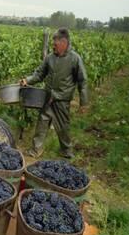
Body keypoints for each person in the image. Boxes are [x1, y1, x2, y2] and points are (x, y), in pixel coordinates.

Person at [20, 27, 88, 159]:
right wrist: (27, 80)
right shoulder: (50, 58)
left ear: (64, 42)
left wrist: (83, 102)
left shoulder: (75, 59)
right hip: (47, 97)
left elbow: (82, 81)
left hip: (62, 100)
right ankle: (36, 150)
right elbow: (39, 73)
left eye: (55, 43)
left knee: (62, 127)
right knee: (42, 123)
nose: (53, 45)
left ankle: (66, 151)